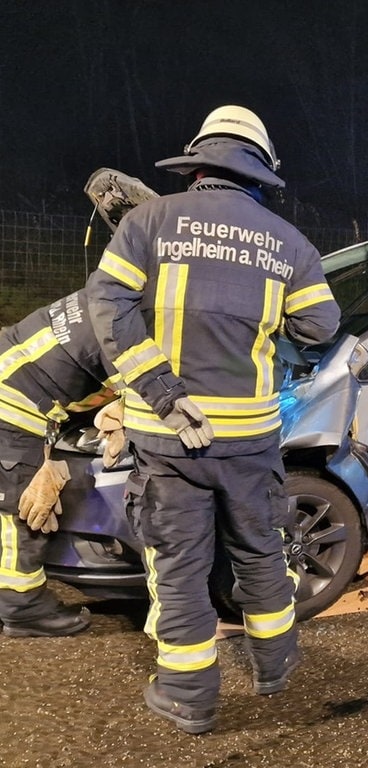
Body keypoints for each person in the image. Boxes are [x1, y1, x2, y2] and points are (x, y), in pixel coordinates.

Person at [86, 105, 341, 734]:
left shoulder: (148, 222)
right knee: (259, 552)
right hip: (251, 440)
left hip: (171, 437)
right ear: (260, 173)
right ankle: (275, 667)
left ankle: (189, 696)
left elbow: (107, 302)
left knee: (179, 569)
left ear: (197, 163)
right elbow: (323, 326)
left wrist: (162, 390)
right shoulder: (289, 243)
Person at [0, 290, 123, 637]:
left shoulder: (102, 293)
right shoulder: (130, 317)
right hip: (13, 405)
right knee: (22, 515)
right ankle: (23, 608)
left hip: (11, 380)